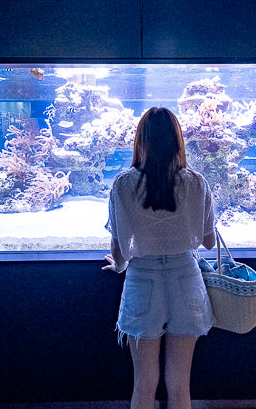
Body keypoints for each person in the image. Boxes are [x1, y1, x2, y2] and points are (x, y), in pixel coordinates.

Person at [103, 107, 216, 409]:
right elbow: (208, 242)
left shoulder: (123, 184)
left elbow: (119, 247)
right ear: (178, 141)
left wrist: (118, 265)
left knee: (144, 384)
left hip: (142, 282)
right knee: (180, 385)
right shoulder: (197, 182)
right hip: (186, 281)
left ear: (141, 141)